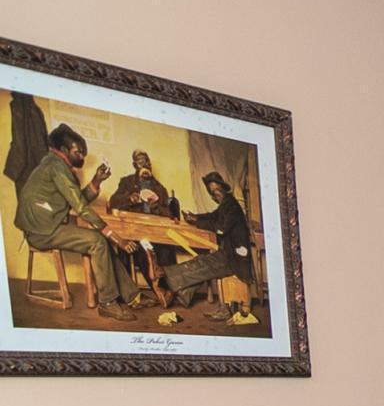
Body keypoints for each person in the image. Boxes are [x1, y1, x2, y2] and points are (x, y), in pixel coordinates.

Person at [12, 124, 137, 321]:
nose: (82, 157)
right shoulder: (57, 167)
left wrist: (96, 182)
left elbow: (76, 201)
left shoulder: (54, 164)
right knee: (98, 241)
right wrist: (114, 236)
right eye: (78, 152)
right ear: (63, 150)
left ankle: (131, 296)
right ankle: (107, 303)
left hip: (46, 225)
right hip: (41, 232)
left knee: (101, 242)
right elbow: (80, 207)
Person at [163, 172, 257, 322]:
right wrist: (195, 216)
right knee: (201, 261)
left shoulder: (231, 206)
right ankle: (182, 294)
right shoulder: (226, 204)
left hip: (236, 259)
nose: (216, 195)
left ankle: (166, 278)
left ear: (224, 189)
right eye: (213, 193)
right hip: (229, 254)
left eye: (218, 191)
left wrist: (196, 221)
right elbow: (212, 216)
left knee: (202, 264)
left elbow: (221, 228)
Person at [107, 149, 181, 306]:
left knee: (167, 249)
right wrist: (130, 198)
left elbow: (169, 214)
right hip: (135, 231)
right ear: (135, 165)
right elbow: (113, 202)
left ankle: (170, 290)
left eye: (147, 161)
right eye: (141, 161)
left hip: (155, 231)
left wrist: (156, 208)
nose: (145, 164)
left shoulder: (160, 188)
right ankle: (153, 291)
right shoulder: (127, 182)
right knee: (140, 249)